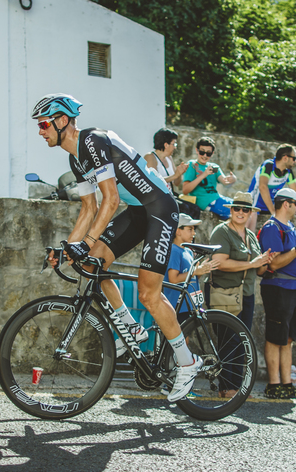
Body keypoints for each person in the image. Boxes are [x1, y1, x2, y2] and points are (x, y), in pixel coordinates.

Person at [33, 93, 201, 402]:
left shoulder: (92, 141)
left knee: (149, 294)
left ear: (62, 121)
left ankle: (187, 361)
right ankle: (131, 329)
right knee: (91, 262)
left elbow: (111, 200)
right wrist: (70, 248)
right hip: (139, 211)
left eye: (44, 124)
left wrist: (86, 242)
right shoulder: (75, 158)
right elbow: (88, 208)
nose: (40, 131)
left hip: (160, 206)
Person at [208, 191, 276, 397]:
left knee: (242, 340)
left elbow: (258, 270)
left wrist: (265, 262)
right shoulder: (221, 231)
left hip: (246, 294)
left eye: (245, 209)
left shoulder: (251, 236)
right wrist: (252, 263)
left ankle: (235, 386)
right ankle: (226, 387)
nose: (240, 212)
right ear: (231, 210)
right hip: (225, 293)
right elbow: (219, 262)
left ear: (250, 213)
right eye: (236, 208)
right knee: (229, 341)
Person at [257, 188, 296, 399]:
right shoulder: (272, 228)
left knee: (288, 338)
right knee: (275, 337)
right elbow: (274, 262)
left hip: (292, 289)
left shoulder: (289, 227)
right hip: (278, 287)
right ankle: (274, 384)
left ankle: (286, 383)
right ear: (286, 204)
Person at [163, 213, 218, 326]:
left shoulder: (188, 251)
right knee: (181, 339)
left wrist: (201, 270)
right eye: (190, 229)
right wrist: (195, 271)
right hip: (177, 304)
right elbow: (173, 279)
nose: (194, 233)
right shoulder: (174, 250)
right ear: (178, 231)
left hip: (189, 303)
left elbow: (192, 277)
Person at [245, 144, 296, 231]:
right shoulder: (268, 165)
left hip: (270, 206)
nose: (295, 162)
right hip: (254, 204)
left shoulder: (288, 172)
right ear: (285, 158)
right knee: (250, 230)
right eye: (294, 158)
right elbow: (262, 187)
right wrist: (273, 213)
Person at [181, 136, 237, 219]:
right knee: (238, 212)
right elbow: (185, 190)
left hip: (217, 198)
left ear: (212, 153)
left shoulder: (214, 166)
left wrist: (233, 179)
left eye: (208, 153)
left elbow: (226, 183)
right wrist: (204, 174)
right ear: (197, 150)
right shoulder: (192, 165)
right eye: (202, 152)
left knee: (242, 207)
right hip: (206, 202)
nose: (205, 155)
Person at [143, 127, 188, 196]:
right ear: (166, 145)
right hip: (158, 198)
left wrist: (180, 173)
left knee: (192, 207)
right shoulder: (150, 157)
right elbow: (153, 180)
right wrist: (175, 175)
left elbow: (176, 183)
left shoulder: (169, 158)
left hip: (169, 196)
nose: (175, 147)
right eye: (174, 144)